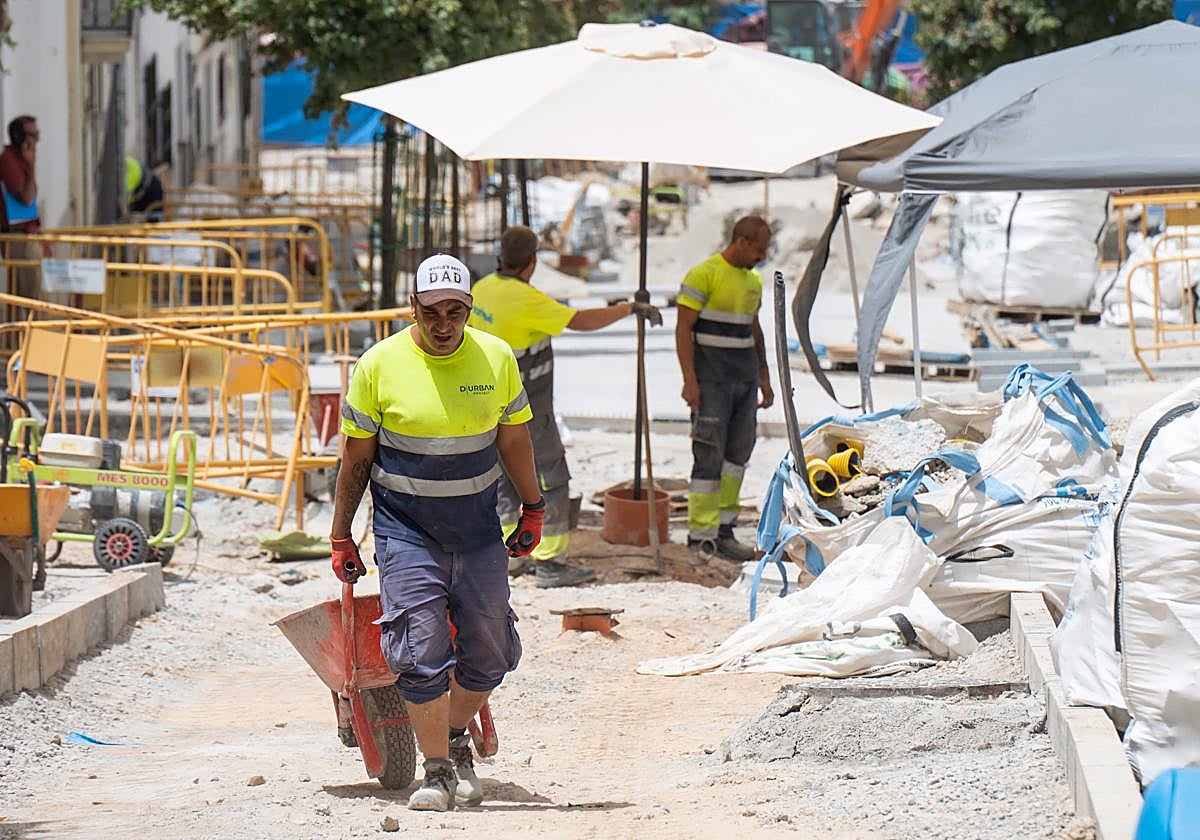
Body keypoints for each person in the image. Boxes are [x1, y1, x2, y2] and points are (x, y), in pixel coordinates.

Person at [330, 253, 544, 812]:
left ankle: (452, 735)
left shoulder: (496, 359)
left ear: (470, 309)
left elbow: (515, 441)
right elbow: (355, 460)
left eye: (456, 311)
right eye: (432, 313)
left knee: (491, 653)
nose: (444, 324)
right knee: (419, 649)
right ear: (413, 308)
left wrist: (534, 508)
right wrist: (340, 536)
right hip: (406, 533)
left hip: (478, 533)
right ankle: (438, 771)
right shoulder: (378, 366)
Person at [468, 226, 663, 588]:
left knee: (504, 478)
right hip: (526, 408)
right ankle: (549, 561)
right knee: (547, 478)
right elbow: (579, 321)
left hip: (486, 403)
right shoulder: (526, 300)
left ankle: (513, 555)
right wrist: (630, 309)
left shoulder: (482, 290)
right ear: (532, 262)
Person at [675, 215, 775, 563]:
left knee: (736, 459)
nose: (762, 256)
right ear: (742, 241)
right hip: (711, 382)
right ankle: (700, 536)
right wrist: (689, 380)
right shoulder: (704, 274)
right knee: (708, 457)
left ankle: (724, 530)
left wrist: (764, 376)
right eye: (759, 249)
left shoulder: (753, 280)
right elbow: (683, 329)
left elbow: (755, 330)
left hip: (743, 382)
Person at [0, 115, 39, 233]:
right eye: (34, 136)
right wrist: (31, 166)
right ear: (20, 138)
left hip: (28, 230)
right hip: (18, 234)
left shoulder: (21, 161)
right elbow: (27, 199)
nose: (37, 141)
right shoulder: (8, 161)